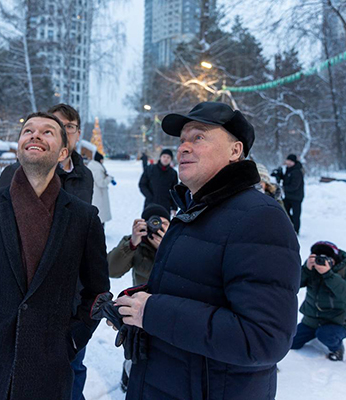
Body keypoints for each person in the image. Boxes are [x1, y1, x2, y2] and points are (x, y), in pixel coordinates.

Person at [113, 102, 300, 400]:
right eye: (182, 140)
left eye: (198, 137)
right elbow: (195, 291)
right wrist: (136, 305)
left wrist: (152, 311)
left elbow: (264, 338)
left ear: (235, 151)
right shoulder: (192, 212)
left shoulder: (260, 218)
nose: (184, 147)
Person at [0, 112, 110, 400]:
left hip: (49, 375)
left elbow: (98, 291)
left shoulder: (83, 217)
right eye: (28, 130)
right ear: (19, 146)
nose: (35, 135)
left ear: (64, 152)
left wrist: (72, 341)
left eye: (48, 132)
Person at [107, 203, 170, 392]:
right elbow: (111, 269)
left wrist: (166, 248)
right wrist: (132, 242)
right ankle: (130, 380)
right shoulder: (136, 245)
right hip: (138, 316)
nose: (156, 227)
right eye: (153, 223)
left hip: (166, 313)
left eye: (163, 223)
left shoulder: (177, 243)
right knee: (135, 356)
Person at [0, 103, 94, 204]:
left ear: (78, 135)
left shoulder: (86, 176)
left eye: (70, 126)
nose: (65, 131)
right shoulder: (15, 172)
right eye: (58, 125)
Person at [291, 241, 346, 361]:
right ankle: (316, 332)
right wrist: (305, 270)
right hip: (312, 320)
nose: (322, 261)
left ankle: (337, 348)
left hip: (340, 321)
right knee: (291, 342)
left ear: (334, 259)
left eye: (326, 258)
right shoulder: (312, 270)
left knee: (326, 335)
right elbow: (291, 286)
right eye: (318, 257)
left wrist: (328, 274)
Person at [138, 148, 178, 215]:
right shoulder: (150, 169)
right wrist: (149, 196)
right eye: (164, 156)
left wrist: (174, 207)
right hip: (150, 204)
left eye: (168, 157)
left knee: (164, 225)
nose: (166, 159)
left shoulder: (173, 173)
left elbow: (175, 191)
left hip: (166, 206)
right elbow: (142, 184)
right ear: (160, 157)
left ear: (171, 159)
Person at [272, 154, 304, 234]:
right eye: (288, 161)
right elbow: (286, 179)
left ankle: (296, 230)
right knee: (285, 212)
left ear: (294, 162)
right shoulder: (288, 169)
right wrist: (278, 174)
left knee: (296, 215)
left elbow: (294, 186)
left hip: (296, 197)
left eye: (291, 161)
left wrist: (282, 188)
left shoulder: (297, 171)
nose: (289, 163)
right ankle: (290, 227)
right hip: (288, 197)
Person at [87, 152, 114, 226]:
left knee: (98, 215)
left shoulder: (93, 167)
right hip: (99, 195)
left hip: (95, 194)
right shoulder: (97, 169)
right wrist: (109, 178)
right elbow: (101, 183)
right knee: (100, 215)